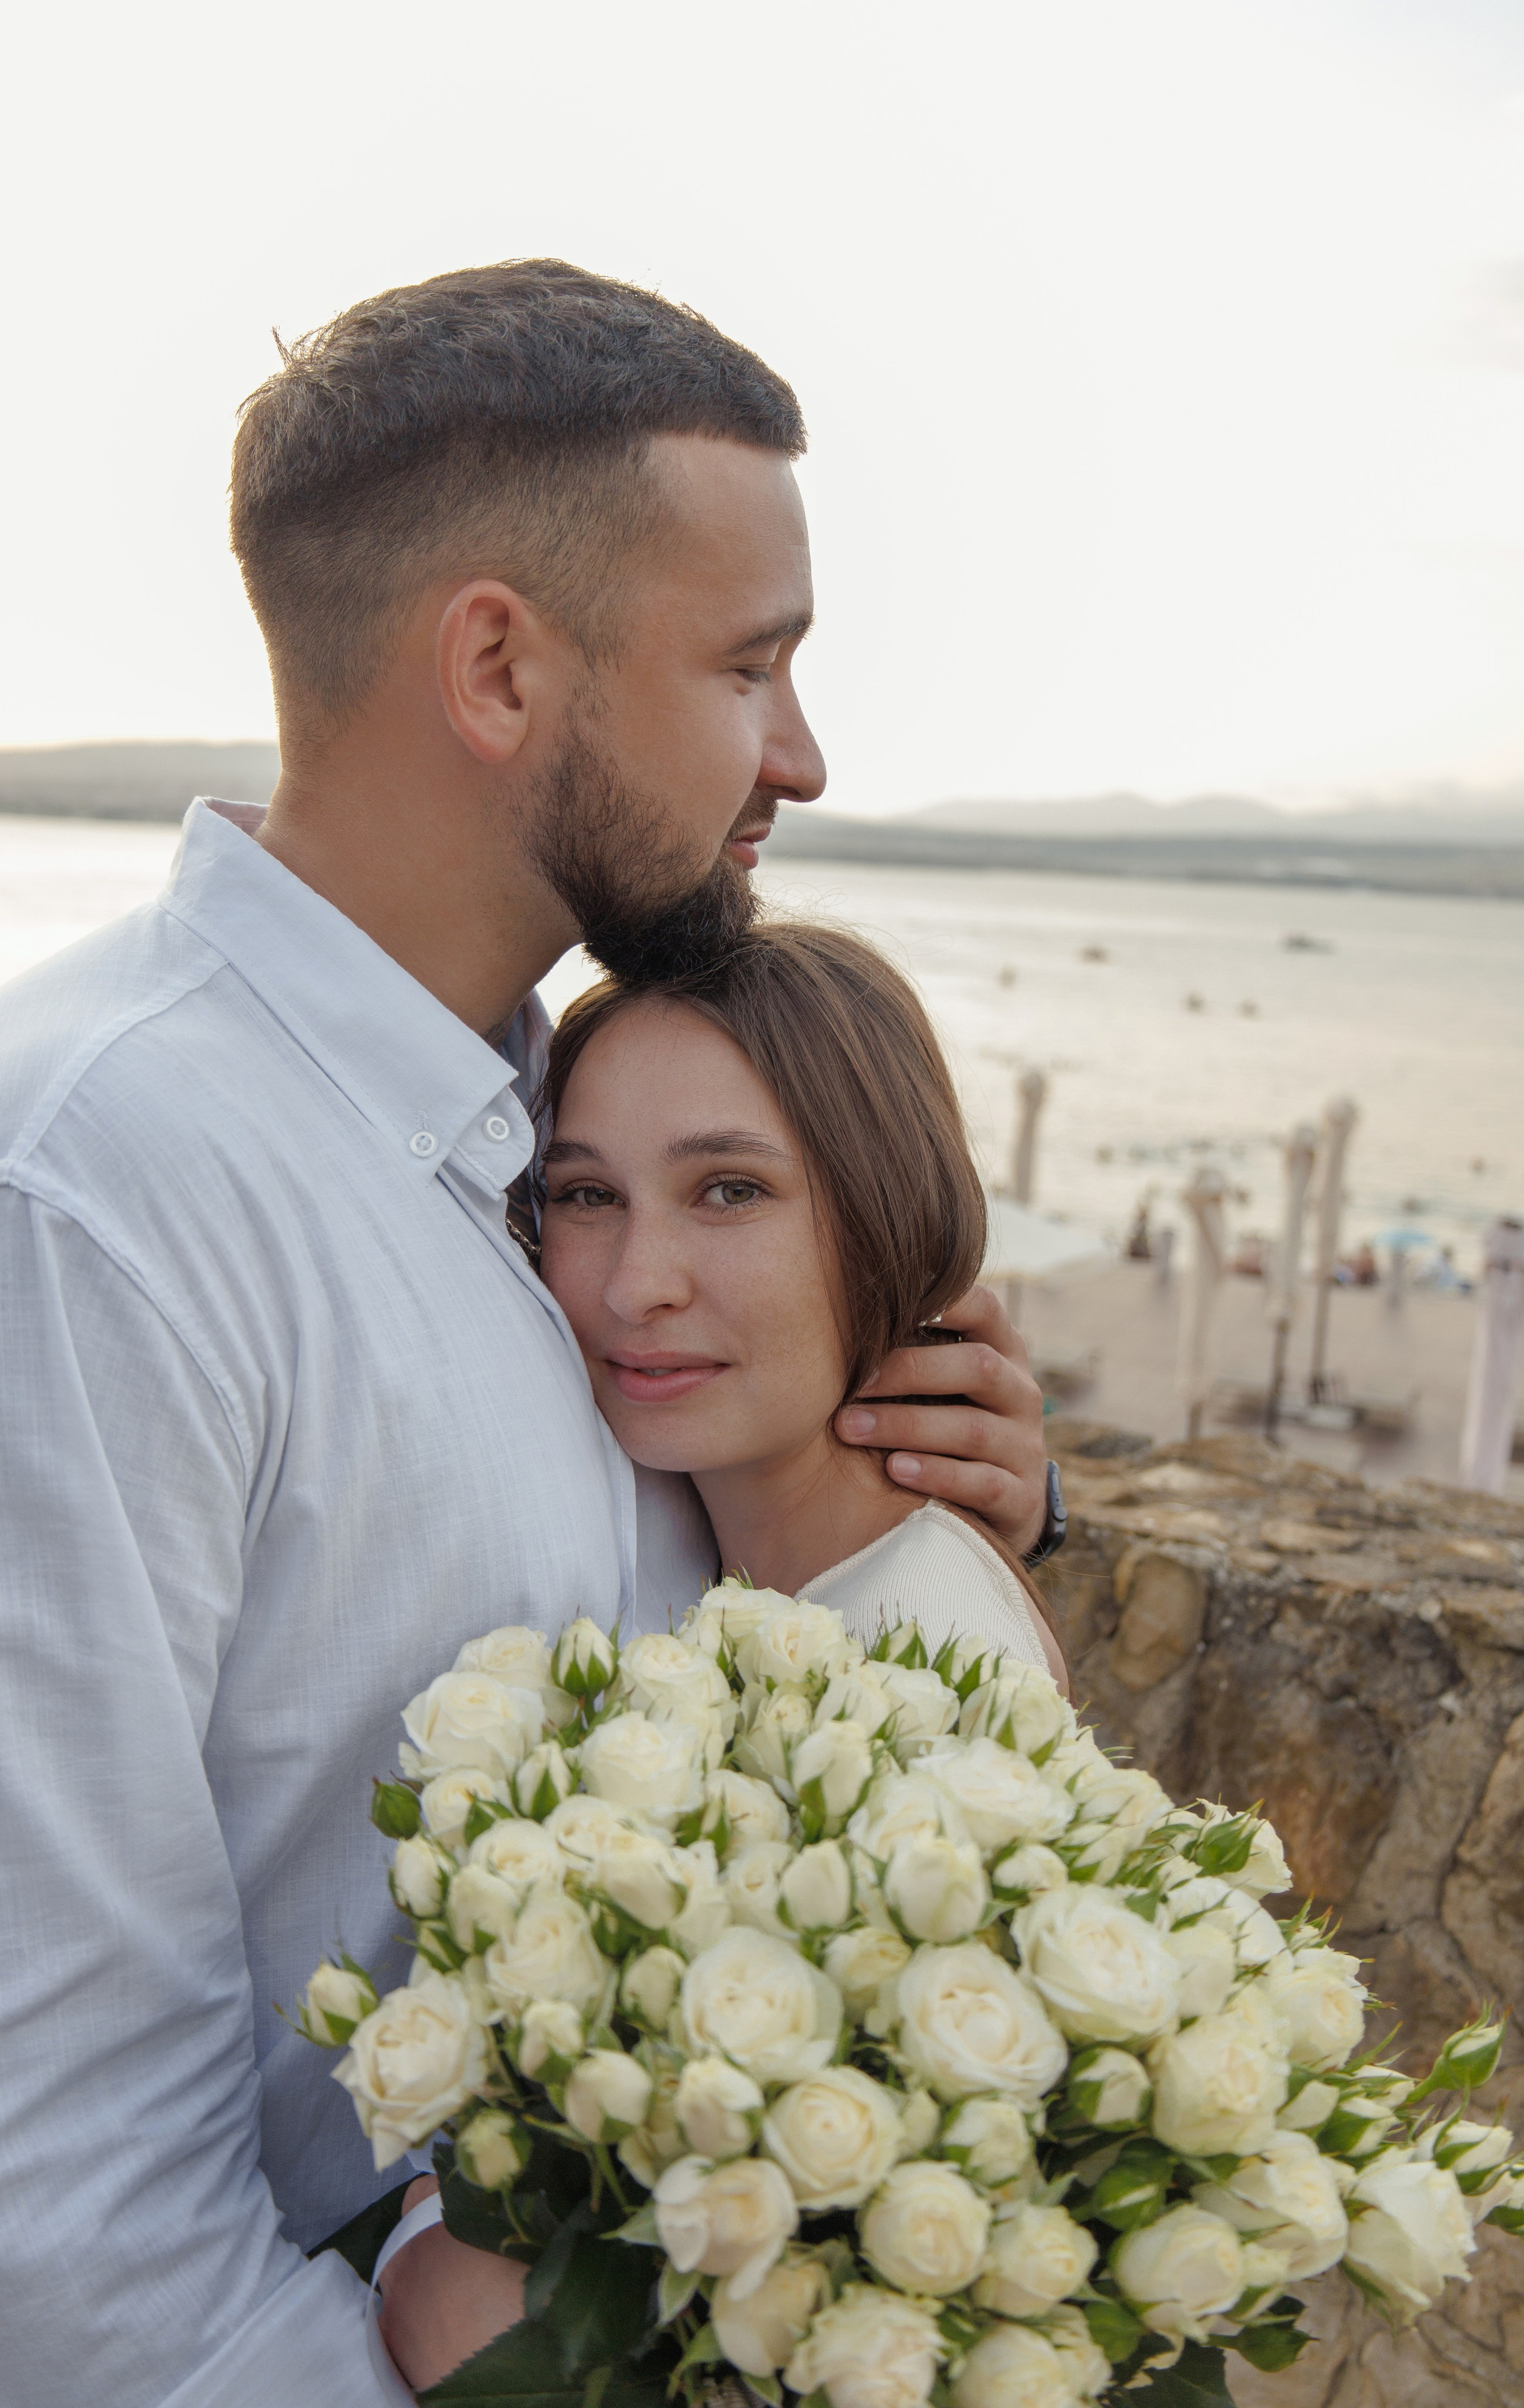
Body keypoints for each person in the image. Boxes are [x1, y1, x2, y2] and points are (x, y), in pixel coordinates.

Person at [0, 261, 1053, 2407]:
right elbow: (59, 2180)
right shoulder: (98, 1194)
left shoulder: (563, 1134)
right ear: (498, 663)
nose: (806, 757)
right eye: (750, 667)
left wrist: (930, 1500)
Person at [540, 921, 1069, 1681]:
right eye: (589, 1195)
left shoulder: (912, 1659)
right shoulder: (781, 1588)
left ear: (888, 1218)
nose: (635, 1286)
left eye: (731, 1191)